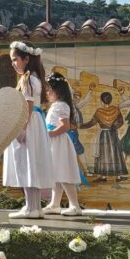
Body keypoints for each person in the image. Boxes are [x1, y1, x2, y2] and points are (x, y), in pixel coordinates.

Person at [3, 41, 54, 219]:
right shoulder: (35, 78)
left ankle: (32, 208)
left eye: (15, 59)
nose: (13, 63)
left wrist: (21, 128)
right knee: (31, 164)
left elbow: (28, 106)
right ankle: (33, 206)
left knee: (26, 163)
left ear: (26, 59)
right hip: (35, 123)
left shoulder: (28, 79)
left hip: (29, 123)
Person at [43, 73, 83, 216]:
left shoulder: (61, 105)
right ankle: (55, 204)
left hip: (58, 143)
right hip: (55, 143)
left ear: (58, 91)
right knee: (56, 174)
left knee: (63, 174)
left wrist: (50, 134)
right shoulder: (56, 105)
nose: (47, 93)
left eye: (49, 90)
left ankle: (75, 205)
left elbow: (65, 125)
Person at [81, 92, 128, 182]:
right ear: (110, 100)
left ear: (101, 101)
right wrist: (113, 127)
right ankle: (118, 176)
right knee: (115, 153)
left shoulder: (99, 112)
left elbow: (91, 123)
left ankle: (103, 177)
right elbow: (120, 122)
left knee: (103, 154)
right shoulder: (116, 110)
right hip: (113, 134)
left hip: (104, 135)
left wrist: (80, 126)